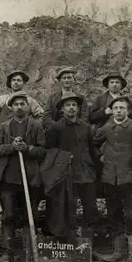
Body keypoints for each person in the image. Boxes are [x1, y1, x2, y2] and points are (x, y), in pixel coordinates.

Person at [93, 96, 132, 262]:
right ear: (112, 111)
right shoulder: (107, 128)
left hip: (131, 177)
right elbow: (93, 143)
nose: (119, 111)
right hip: (110, 178)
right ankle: (118, 252)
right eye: (116, 108)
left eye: (122, 108)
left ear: (128, 111)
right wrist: (101, 156)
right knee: (114, 214)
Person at [0, 91, 46, 262]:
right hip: (8, 179)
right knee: (8, 215)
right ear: (11, 108)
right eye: (16, 104)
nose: (19, 107)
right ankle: (8, 253)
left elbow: (43, 150)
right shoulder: (4, 127)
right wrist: (12, 147)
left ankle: (30, 253)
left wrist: (27, 148)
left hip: (30, 178)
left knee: (30, 214)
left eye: (22, 103)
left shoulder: (36, 126)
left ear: (28, 107)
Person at [45, 92, 98, 239]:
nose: (71, 108)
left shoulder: (85, 127)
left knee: (90, 207)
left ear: (79, 108)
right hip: (66, 173)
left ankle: (89, 243)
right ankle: (69, 240)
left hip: (86, 171)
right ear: (62, 109)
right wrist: (64, 157)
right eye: (67, 105)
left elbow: (92, 149)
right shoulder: (56, 127)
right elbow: (49, 150)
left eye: (74, 105)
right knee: (68, 207)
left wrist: (93, 167)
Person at [0, 70, 44, 140]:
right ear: (10, 83)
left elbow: (42, 116)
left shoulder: (29, 101)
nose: (16, 82)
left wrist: (32, 129)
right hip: (1, 138)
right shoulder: (2, 99)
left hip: (21, 139)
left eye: (19, 80)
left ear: (23, 83)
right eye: (13, 80)